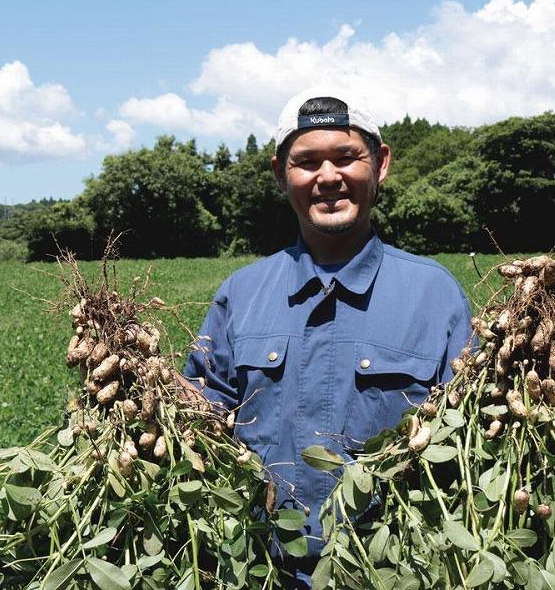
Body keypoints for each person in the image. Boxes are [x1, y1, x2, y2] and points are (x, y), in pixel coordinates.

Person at [181, 86, 473, 588]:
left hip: (392, 572)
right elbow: (198, 424)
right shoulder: (241, 293)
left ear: (379, 164)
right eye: (307, 162)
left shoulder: (434, 295)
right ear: (280, 174)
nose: (328, 177)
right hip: (262, 571)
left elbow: (470, 444)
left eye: (346, 157)